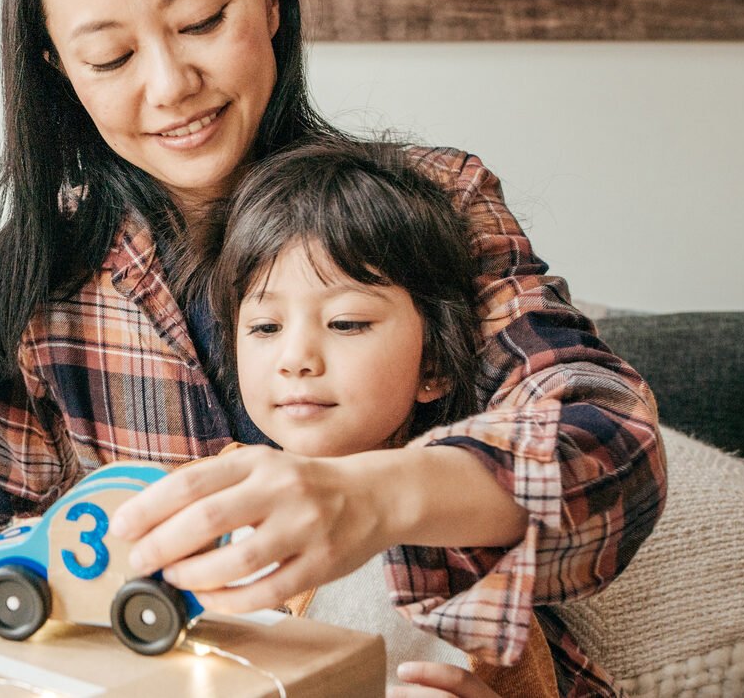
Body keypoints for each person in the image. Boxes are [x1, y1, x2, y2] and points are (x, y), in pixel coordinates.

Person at [0, 0, 663, 696]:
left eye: (203, 19)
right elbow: (8, 549)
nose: (171, 83)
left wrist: (374, 498)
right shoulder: (41, 284)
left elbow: (616, 445)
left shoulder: (433, 204)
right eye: (112, 55)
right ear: (61, 70)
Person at [201, 139, 556, 698]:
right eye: (266, 328)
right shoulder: (205, 495)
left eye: (345, 323)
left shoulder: (468, 545)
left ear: (433, 365)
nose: (296, 358)